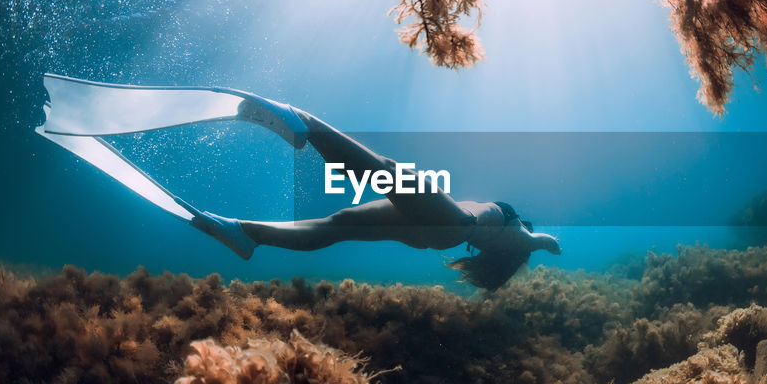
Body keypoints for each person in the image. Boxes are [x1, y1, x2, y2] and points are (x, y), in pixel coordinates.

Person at [36, 74, 560, 289]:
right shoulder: (505, 243)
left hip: (451, 220)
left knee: (382, 169)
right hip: (434, 231)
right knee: (336, 224)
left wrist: (543, 239)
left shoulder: (521, 236)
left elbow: (536, 238)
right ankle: (246, 232)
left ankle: (298, 118)